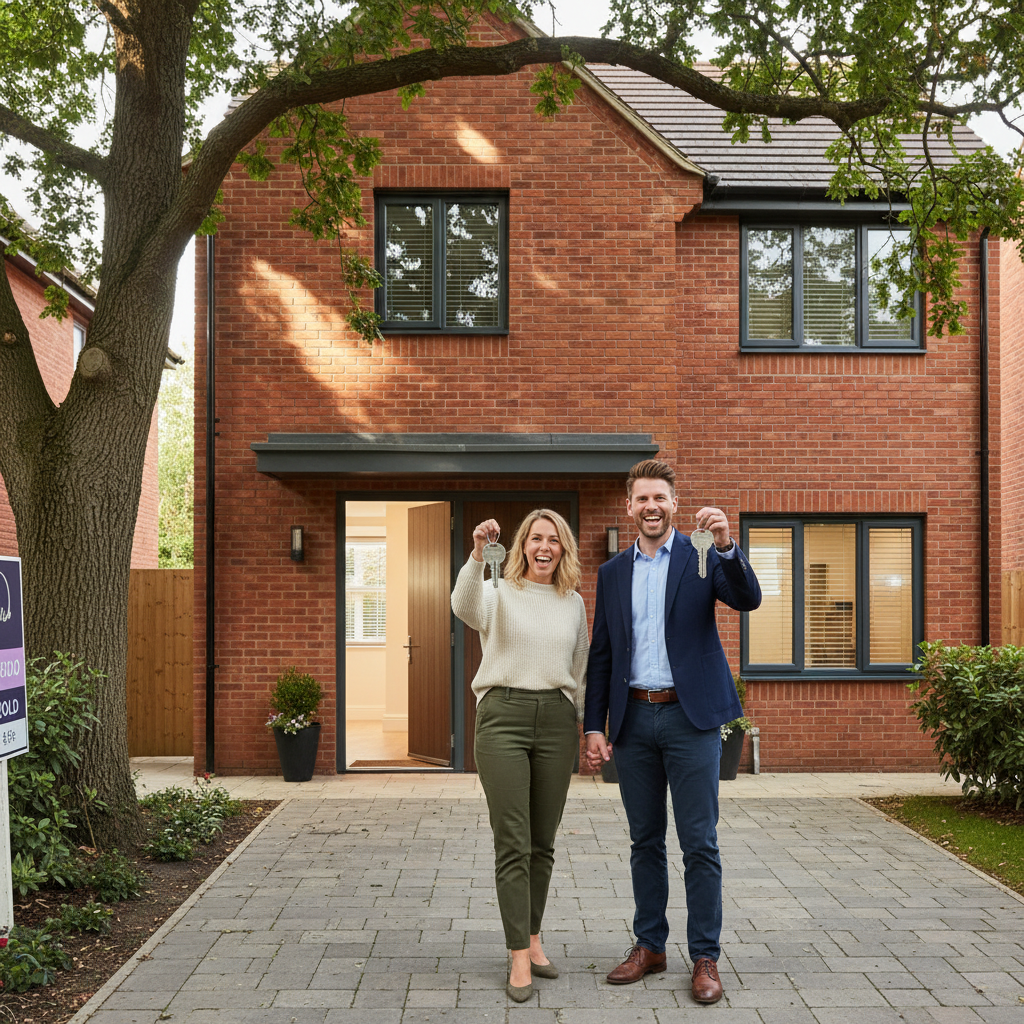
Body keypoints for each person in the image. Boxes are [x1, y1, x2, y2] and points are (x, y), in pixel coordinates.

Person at [583, 459, 761, 1004]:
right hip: (634, 722)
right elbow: (603, 655)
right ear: (630, 506)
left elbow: (746, 599)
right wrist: (595, 726)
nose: (651, 507)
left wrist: (728, 543)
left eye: (660, 498)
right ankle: (650, 945)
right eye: (642, 499)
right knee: (645, 840)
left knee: (700, 842)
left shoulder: (701, 556)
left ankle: (704, 955)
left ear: (674, 503)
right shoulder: (613, 572)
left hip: (691, 719)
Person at [451, 508, 589, 1002]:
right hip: (503, 716)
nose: (544, 547)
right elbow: (463, 606)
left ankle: (533, 940)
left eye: (554, 539)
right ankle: (515, 955)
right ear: (521, 546)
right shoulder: (498, 592)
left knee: (542, 840)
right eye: (535, 539)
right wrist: (473, 555)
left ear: (564, 548)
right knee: (513, 839)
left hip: (556, 719)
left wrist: (587, 726)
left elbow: (580, 668)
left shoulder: (573, 603)